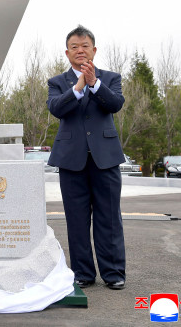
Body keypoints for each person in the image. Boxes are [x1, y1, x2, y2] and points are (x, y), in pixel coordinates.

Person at [46, 25, 126, 290]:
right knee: (77, 219)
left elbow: (114, 104)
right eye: (74, 47)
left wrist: (94, 83)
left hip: (106, 158)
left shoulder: (111, 78)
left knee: (109, 218)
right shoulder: (57, 82)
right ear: (67, 53)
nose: (80, 51)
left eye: (85, 46)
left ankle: (113, 273)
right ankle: (83, 273)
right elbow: (57, 109)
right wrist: (79, 85)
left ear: (94, 50)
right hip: (71, 160)